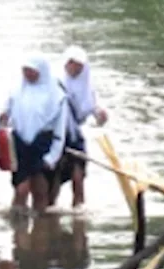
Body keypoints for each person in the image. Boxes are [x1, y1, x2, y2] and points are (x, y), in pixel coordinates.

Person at [0, 56, 67, 214]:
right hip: (20, 145)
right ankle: (18, 231)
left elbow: (60, 131)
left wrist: (53, 156)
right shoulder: (17, 91)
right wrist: (3, 116)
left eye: (31, 71)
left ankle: (40, 233)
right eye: (25, 71)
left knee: (40, 191)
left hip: (43, 145)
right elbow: (6, 111)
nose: (27, 74)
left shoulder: (57, 96)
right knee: (21, 189)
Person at [51, 46, 108, 210]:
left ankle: (78, 210)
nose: (74, 68)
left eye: (78, 65)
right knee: (54, 179)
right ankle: (50, 213)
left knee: (78, 176)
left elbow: (93, 110)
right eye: (71, 63)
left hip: (75, 137)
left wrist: (100, 115)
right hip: (57, 136)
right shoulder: (56, 82)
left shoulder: (87, 86)